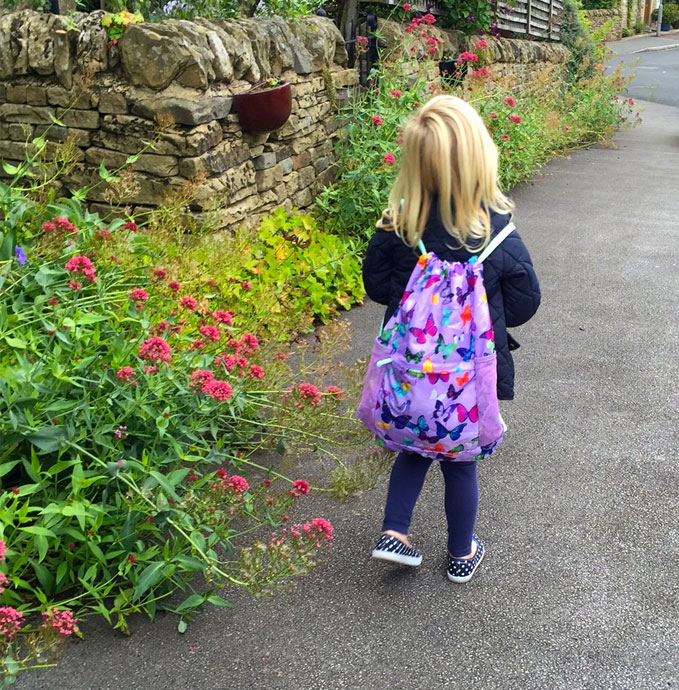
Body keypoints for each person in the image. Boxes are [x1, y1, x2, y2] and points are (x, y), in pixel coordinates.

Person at [362, 95, 541, 583]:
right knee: (460, 464)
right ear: (481, 156)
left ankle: (394, 532)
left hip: (411, 374)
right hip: (468, 382)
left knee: (415, 449)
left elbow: (377, 286)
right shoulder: (499, 234)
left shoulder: (399, 225)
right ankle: (462, 552)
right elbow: (526, 304)